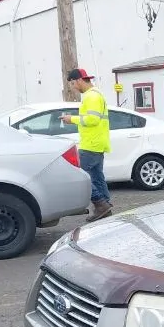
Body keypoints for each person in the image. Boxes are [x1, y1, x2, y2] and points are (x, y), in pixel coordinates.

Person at [60, 68, 112, 222]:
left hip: (91, 144)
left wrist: (72, 119)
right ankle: (105, 205)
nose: (73, 87)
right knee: (96, 176)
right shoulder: (95, 95)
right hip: (97, 143)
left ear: (78, 80)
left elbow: (92, 120)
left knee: (82, 176)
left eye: (72, 84)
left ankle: (100, 204)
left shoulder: (91, 97)